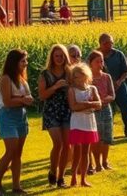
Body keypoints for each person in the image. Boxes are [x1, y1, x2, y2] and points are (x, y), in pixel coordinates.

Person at [0, 49, 33, 196]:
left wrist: (25, 99)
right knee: (10, 151)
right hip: (8, 116)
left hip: (21, 115)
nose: (26, 63)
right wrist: (22, 99)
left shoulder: (22, 79)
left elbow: (27, 97)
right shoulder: (6, 79)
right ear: (14, 62)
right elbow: (8, 101)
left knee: (17, 154)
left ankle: (16, 186)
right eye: (23, 61)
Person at [38, 44, 72, 188]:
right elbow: (42, 95)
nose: (59, 58)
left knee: (67, 145)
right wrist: (56, 86)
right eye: (56, 56)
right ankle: (53, 170)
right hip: (52, 110)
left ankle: (61, 177)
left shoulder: (69, 72)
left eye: (62, 56)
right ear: (52, 57)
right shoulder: (45, 74)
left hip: (67, 109)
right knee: (57, 143)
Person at [67, 63, 101, 188]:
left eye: (79, 76)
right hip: (77, 122)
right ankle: (74, 176)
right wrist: (89, 104)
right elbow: (74, 106)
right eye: (74, 77)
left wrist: (86, 104)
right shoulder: (72, 90)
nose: (77, 79)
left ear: (85, 75)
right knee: (76, 150)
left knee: (86, 151)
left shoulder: (92, 89)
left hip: (89, 122)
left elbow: (99, 104)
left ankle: (83, 178)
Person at [99, 33, 127, 137]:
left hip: (119, 85)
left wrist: (119, 81)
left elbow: (126, 71)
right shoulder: (96, 55)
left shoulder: (119, 54)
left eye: (111, 43)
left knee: (126, 107)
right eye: (106, 43)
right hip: (103, 87)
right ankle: (108, 132)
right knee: (107, 110)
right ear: (100, 44)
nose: (109, 46)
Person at [88, 51, 115, 172]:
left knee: (107, 136)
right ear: (90, 64)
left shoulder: (106, 77)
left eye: (102, 61)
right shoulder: (88, 79)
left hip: (106, 109)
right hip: (94, 111)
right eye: (97, 62)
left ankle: (105, 161)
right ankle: (97, 163)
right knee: (97, 137)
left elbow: (112, 94)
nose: (100, 64)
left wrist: (105, 100)